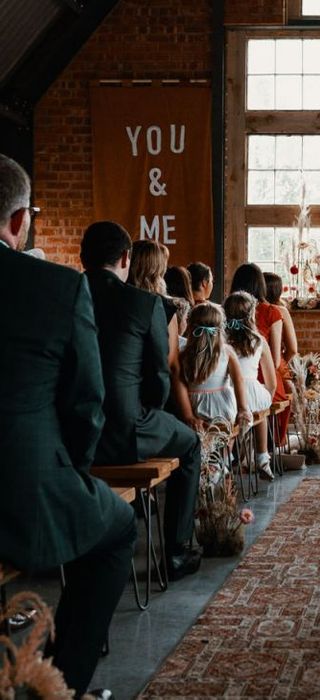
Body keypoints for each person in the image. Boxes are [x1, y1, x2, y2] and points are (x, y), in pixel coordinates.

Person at [0, 155, 136, 698]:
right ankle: (61, 683)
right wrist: (75, 474)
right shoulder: (56, 288)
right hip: (23, 489)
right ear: (16, 222)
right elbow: (87, 403)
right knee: (117, 528)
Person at [81, 222, 202, 581]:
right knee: (192, 444)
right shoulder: (144, 303)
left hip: (73, 439)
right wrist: (147, 412)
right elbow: (159, 377)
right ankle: (177, 552)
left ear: (82, 257)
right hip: (126, 429)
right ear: (125, 258)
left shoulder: (64, 295)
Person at [128, 239, 200, 430]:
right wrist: (188, 415)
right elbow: (172, 365)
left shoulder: (118, 301)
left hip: (119, 394)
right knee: (191, 442)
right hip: (154, 399)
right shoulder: (165, 307)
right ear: (158, 270)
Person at [230, 263, 291, 446]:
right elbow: (275, 360)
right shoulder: (272, 311)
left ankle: (239, 450)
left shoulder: (227, 308)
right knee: (279, 394)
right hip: (263, 377)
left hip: (231, 381)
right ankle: (265, 451)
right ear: (260, 284)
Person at [223, 291, 277, 480]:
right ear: (252, 315)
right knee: (259, 408)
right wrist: (266, 397)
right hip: (253, 394)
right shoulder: (259, 341)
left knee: (231, 419)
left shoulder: (221, 341)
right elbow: (272, 382)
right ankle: (262, 457)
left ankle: (224, 461)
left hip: (227, 394)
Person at [180, 302, 252, 430]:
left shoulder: (183, 354)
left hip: (194, 408)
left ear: (191, 328)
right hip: (222, 409)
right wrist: (243, 409)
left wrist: (189, 416)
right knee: (224, 436)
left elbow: (180, 386)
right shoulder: (227, 352)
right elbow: (238, 380)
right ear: (220, 329)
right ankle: (227, 449)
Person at [264, 271, 299, 393]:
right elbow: (293, 349)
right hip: (277, 364)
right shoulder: (281, 311)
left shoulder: (253, 309)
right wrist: (283, 360)